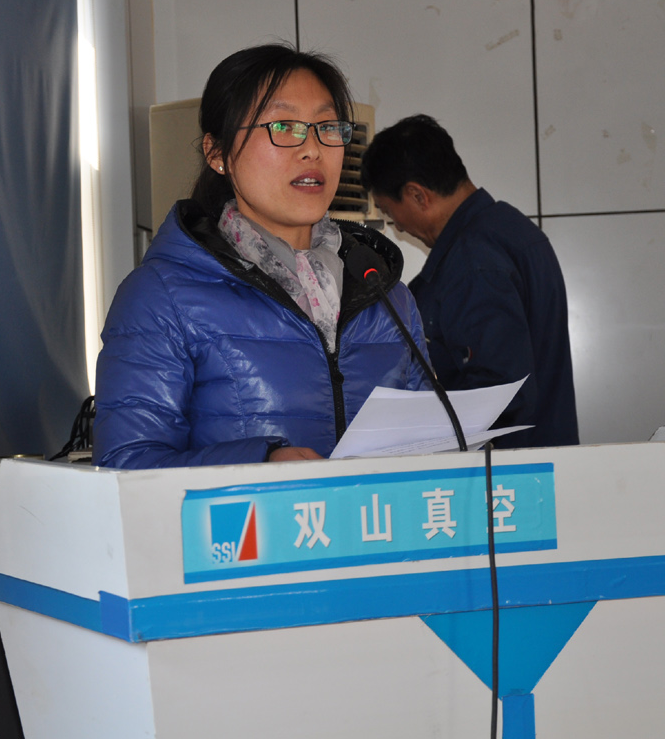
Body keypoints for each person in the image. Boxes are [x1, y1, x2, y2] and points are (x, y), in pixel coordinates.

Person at [94, 45, 431, 468]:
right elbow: (125, 464)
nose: (312, 149)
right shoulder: (160, 297)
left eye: (327, 127)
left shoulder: (387, 295)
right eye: (284, 126)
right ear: (217, 154)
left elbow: (435, 445)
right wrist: (262, 461)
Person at [359, 114, 577, 449]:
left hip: (508, 468)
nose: (397, 227)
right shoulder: (509, 228)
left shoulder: (473, 261)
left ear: (417, 195)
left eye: (390, 212)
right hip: (545, 460)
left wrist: (402, 426)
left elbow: (496, 393)